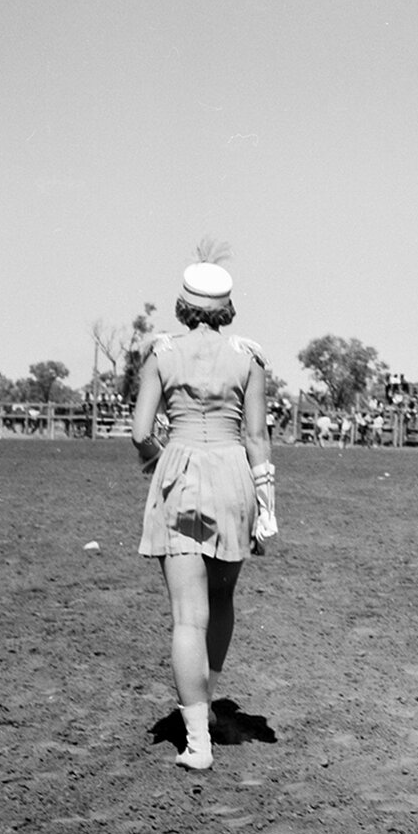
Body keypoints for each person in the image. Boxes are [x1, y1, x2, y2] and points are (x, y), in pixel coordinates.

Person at [132, 256, 277, 770]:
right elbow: (257, 438)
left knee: (186, 618)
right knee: (221, 599)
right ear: (226, 309)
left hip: (179, 474)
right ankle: (211, 706)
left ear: (184, 305)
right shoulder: (248, 357)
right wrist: (267, 506)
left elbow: (140, 431)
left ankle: (197, 742)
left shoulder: (162, 353)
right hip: (234, 476)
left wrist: (162, 462)